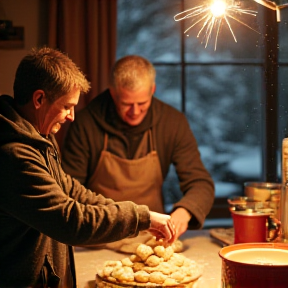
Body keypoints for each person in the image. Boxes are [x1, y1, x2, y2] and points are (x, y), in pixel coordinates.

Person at [0, 47, 176, 288]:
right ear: (39, 99)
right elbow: (70, 221)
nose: (71, 116)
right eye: (66, 106)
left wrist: (143, 216)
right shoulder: (14, 156)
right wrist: (142, 218)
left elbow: (73, 191)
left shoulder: (40, 138)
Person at [61, 55, 215, 241]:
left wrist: (185, 211)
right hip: (99, 236)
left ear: (152, 90)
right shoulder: (85, 123)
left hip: (153, 237)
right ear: (113, 93)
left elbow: (201, 183)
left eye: (142, 103)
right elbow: (69, 193)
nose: (134, 112)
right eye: (126, 104)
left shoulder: (172, 122)